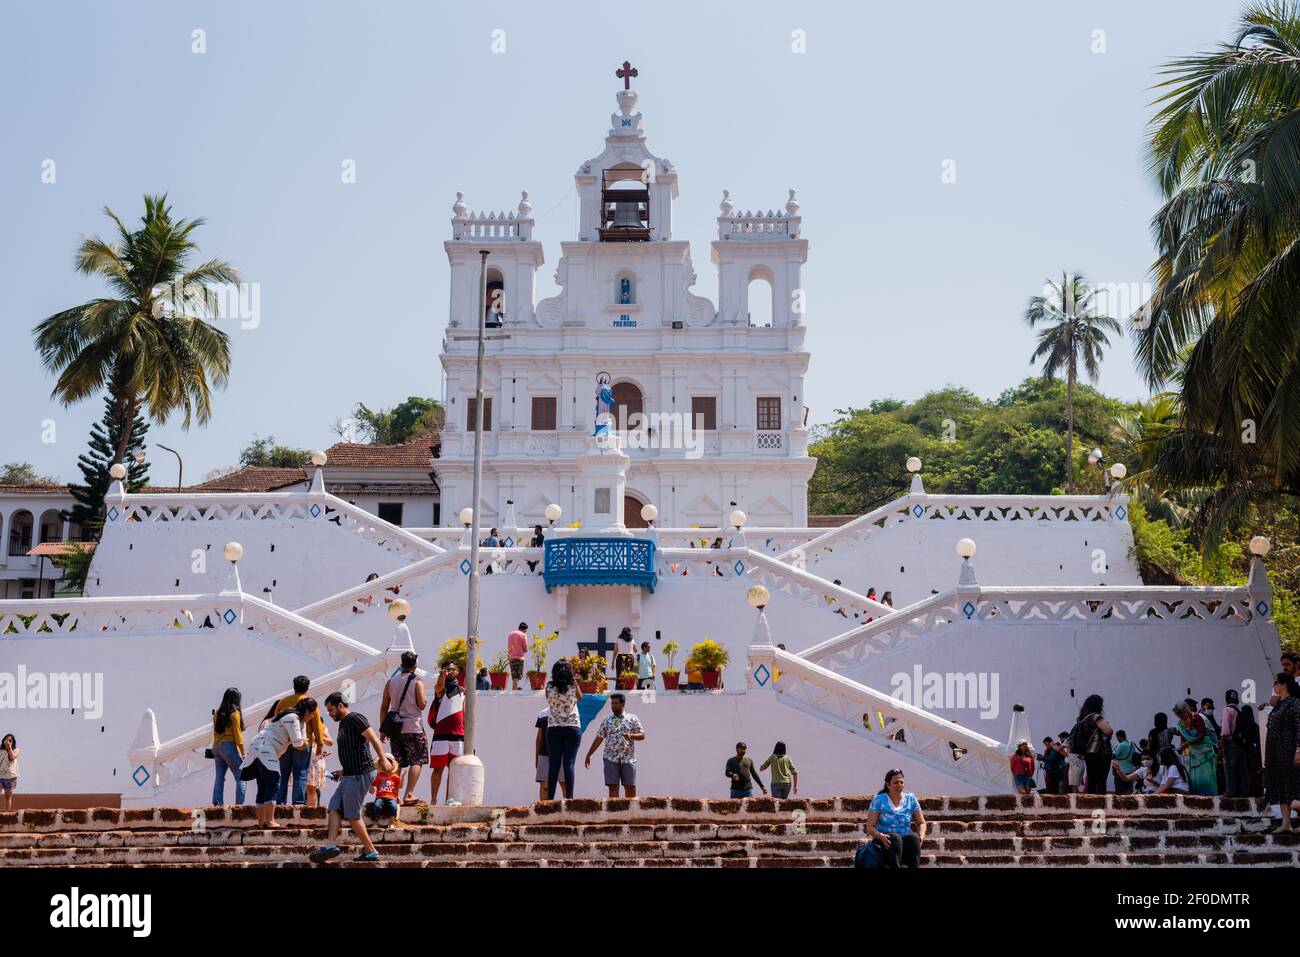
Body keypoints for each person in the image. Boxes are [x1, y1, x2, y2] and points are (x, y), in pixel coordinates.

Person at [309, 692, 387, 863]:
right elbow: (354, 751)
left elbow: (373, 738)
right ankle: (330, 845)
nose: (329, 714)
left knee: (352, 815)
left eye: (331, 710)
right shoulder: (343, 724)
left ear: (340, 706)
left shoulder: (355, 718)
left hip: (360, 774)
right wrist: (343, 772)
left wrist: (382, 758)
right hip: (350, 774)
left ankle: (371, 851)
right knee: (334, 806)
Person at [241, 697, 317, 828]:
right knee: (273, 782)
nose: (314, 715)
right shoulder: (293, 718)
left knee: (263, 786)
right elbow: (299, 743)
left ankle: (261, 822)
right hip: (267, 749)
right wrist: (304, 743)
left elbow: (301, 740)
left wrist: (303, 739)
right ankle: (270, 821)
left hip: (257, 748)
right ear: (307, 711)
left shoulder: (293, 717)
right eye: (313, 712)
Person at [267, 676, 329, 806]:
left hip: (285, 742)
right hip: (304, 742)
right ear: (307, 687)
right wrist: (320, 744)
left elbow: (276, 719)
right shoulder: (311, 704)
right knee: (300, 772)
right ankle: (298, 803)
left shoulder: (283, 702)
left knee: (283, 773)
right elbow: (317, 725)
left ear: (294, 686)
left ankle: (279, 802)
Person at [379, 651, 427, 805]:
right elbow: (422, 704)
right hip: (413, 727)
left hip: (394, 729)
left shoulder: (390, 682)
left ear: (401, 665)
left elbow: (384, 708)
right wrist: (423, 701)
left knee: (398, 762)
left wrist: (383, 729)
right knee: (417, 761)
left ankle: (393, 795)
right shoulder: (417, 682)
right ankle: (409, 794)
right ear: (415, 666)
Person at [583, 691, 645, 797]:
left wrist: (631, 736)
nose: (613, 706)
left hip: (628, 758)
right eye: (612, 703)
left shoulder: (632, 718)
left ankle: (631, 812)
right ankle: (614, 812)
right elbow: (599, 738)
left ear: (622, 704)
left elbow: (642, 735)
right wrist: (589, 755)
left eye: (616, 703)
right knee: (613, 787)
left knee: (630, 787)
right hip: (610, 758)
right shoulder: (607, 720)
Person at [865, 769, 927, 869]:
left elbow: (921, 822)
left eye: (901, 782)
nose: (900, 785)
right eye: (896, 782)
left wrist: (921, 836)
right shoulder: (879, 800)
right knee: (895, 838)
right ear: (888, 784)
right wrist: (880, 836)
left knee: (914, 838)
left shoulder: (911, 798)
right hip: (885, 842)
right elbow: (870, 826)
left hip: (905, 842)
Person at [544, 659, 584, 800]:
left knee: (554, 764)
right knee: (569, 763)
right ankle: (570, 798)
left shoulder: (549, 686)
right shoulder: (573, 686)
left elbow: (548, 699)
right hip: (572, 726)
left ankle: (550, 798)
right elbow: (580, 698)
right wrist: (575, 681)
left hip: (554, 727)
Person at [1265, 672, 1300, 831]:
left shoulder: (1294, 703)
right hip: (1275, 751)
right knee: (1281, 785)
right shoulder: (1279, 703)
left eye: (1276, 683)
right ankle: (1286, 823)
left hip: (1288, 749)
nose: (1274, 686)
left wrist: (1298, 750)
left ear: (1284, 684)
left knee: (1292, 784)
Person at [427, 665, 466, 804]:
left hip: (458, 736)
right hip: (441, 735)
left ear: (458, 671)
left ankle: (449, 799)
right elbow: (438, 688)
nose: (449, 671)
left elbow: (465, 713)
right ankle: (433, 800)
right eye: (446, 669)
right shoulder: (441, 689)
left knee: (454, 770)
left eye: (452, 669)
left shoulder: (462, 691)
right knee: (438, 769)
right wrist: (441, 678)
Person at [1172, 700, 1218, 796]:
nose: (1180, 715)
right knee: (1194, 776)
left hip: (1205, 751)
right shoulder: (1180, 724)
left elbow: (1202, 735)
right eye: (1178, 714)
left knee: (1206, 775)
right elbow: (1183, 739)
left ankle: (1209, 797)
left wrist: (1188, 743)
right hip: (1193, 753)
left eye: (1181, 712)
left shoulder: (1196, 717)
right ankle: (1197, 797)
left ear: (1186, 710)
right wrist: (1181, 748)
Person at [1071, 694, 1113, 794]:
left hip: (1087, 752)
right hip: (1100, 752)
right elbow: (1108, 731)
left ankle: (1091, 803)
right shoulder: (1095, 717)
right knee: (1101, 780)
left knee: (1091, 780)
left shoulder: (1083, 719)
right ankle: (1101, 804)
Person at [211, 688, 245, 806]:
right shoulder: (234, 713)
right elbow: (238, 735)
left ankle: (217, 803)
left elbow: (215, 732)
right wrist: (243, 753)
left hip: (216, 747)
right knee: (241, 776)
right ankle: (239, 805)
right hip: (228, 746)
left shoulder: (218, 713)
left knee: (219, 777)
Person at [534, 707, 568, 801]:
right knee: (544, 785)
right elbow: (539, 737)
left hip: (562, 755)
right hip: (544, 755)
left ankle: (568, 812)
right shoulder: (543, 713)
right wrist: (537, 757)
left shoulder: (567, 711)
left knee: (565, 784)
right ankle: (544, 812)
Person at [1219, 689, 1248, 798]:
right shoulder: (1238, 711)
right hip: (1240, 742)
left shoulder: (1227, 710)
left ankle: (1230, 791)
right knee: (1242, 768)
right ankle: (1244, 791)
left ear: (1226, 699)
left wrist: (1221, 744)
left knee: (1230, 768)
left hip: (1230, 743)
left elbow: (1225, 730)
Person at [1236, 699, 1264, 798]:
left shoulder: (1240, 725)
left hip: (1244, 752)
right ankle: (1256, 792)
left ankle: (1245, 791)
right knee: (1254, 773)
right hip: (1253, 753)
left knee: (1244, 772)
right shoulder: (1254, 726)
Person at [365, 754, 401, 827]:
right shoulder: (379, 776)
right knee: (376, 806)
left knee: (393, 806)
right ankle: (375, 822)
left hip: (391, 797)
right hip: (380, 797)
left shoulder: (394, 776)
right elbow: (373, 784)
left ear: (392, 765)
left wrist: (402, 776)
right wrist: (370, 787)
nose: (384, 766)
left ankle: (391, 823)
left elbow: (400, 785)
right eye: (382, 764)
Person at [1111, 730, 1136, 794]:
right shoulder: (1132, 743)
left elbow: (1113, 755)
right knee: (1129, 791)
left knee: (1119, 793)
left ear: (1119, 737)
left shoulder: (1121, 745)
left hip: (1121, 772)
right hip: (1130, 771)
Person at [507, 622, 529, 690]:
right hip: (519, 658)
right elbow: (525, 649)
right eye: (526, 630)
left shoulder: (510, 634)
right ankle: (514, 693)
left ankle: (515, 690)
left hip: (511, 658)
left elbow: (509, 647)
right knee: (517, 677)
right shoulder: (523, 635)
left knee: (514, 677)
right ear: (524, 629)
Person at [0, 735, 18, 811]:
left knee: (8, 797)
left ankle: (6, 815)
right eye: (6, 740)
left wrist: (9, 748)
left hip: (11, 776)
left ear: (13, 742)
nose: (8, 741)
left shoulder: (16, 750)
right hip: (0, 775)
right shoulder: (0, 750)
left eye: (10, 740)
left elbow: (11, 758)